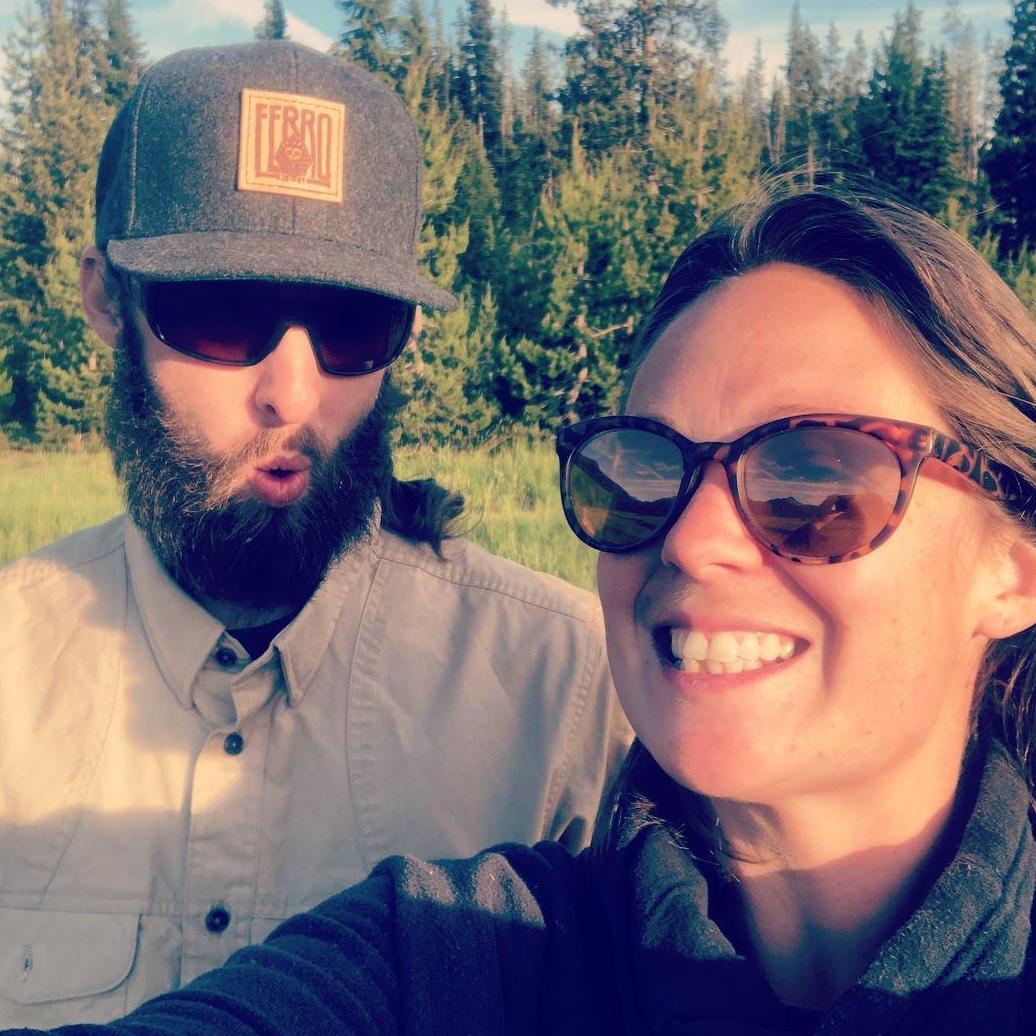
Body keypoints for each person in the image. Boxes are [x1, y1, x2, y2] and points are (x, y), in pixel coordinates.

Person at [10, 180, 1036, 1035]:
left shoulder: (548, 668)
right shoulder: (447, 952)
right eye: (642, 472)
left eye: (815, 479)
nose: (689, 538)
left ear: (1016, 566)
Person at [0, 41, 629, 1026]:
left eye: (350, 326)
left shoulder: (564, 696)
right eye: (221, 311)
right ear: (106, 301)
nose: (292, 396)